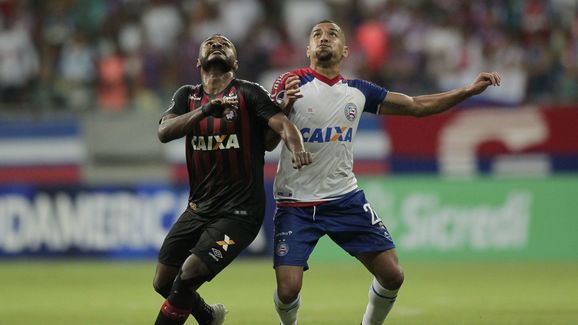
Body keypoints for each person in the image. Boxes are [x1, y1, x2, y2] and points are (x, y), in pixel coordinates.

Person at [267, 20, 501, 325]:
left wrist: (468, 91)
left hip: (343, 198)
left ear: (345, 50)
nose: (324, 38)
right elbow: (267, 141)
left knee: (392, 275)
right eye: (317, 35)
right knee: (288, 290)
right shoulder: (290, 82)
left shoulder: (358, 91)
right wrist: (283, 106)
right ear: (308, 48)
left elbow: (417, 106)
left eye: (332, 34)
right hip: (295, 202)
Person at [152, 34, 312, 325]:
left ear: (235, 63)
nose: (216, 46)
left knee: (189, 274)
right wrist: (205, 111)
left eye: (224, 45)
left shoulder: (249, 93)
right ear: (198, 61)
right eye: (210, 44)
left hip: (240, 213)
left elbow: (280, 127)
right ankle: (209, 317)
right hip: (198, 208)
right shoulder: (187, 96)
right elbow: (164, 132)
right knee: (163, 282)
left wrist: (297, 146)